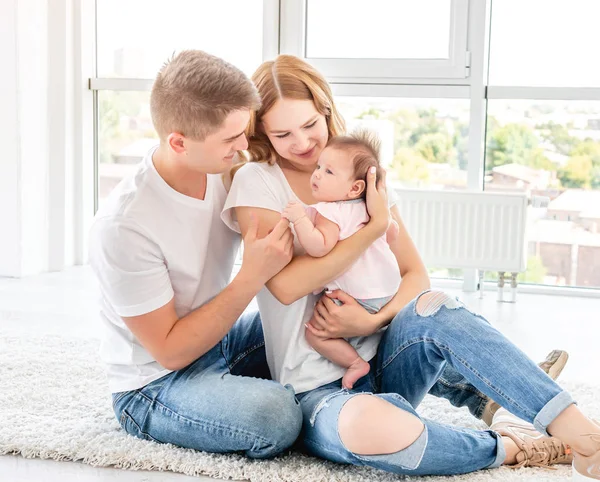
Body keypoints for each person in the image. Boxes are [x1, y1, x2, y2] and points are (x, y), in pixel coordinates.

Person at [221, 54, 600, 478]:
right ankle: (511, 445)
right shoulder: (256, 181)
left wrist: (372, 321)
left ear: (326, 109)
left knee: (438, 305)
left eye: (310, 124)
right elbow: (287, 287)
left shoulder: (358, 172)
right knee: (375, 432)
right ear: (262, 133)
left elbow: (416, 276)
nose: (303, 143)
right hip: (317, 389)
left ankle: (584, 438)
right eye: (282, 133)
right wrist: (373, 226)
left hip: (387, 357)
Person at [88, 50, 303, 458]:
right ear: (178, 142)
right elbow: (170, 351)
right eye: (230, 138)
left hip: (219, 340)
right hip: (155, 383)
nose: (244, 146)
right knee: (276, 416)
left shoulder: (225, 169)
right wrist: (250, 276)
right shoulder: (124, 226)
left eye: (245, 131)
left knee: (319, 321)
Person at [281, 130, 401, 389]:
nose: (317, 174)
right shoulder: (371, 208)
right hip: (387, 292)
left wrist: (300, 219)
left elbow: (319, 247)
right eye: (319, 167)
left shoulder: (328, 210)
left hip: (356, 297)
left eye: (328, 172)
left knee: (315, 334)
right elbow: (392, 234)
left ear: (355, 187)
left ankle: (356, 363)